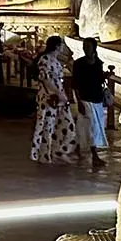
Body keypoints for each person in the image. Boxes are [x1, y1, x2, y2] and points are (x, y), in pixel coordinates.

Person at [31, 37, 82, 166]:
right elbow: (45, 78)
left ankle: (59, 151)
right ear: (58, 46)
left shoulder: (54, 60)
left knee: (66, 124)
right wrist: (58, 93)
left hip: (58, 97)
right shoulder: (45, 59)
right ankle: (45, 154)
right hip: (49, 97)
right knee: (48, 126)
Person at [72, 38, 108, 169]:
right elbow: (75, 84)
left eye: (88, 46)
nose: (86, 49)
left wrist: (105, 76)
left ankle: (79, 149)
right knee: (90, 127)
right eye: (84, 46)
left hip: (96, 98)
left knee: (91, 127)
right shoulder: (79, 64)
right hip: (85, 99)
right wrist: (79, 101)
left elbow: (98, 79)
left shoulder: (98, 63)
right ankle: (94, 155)